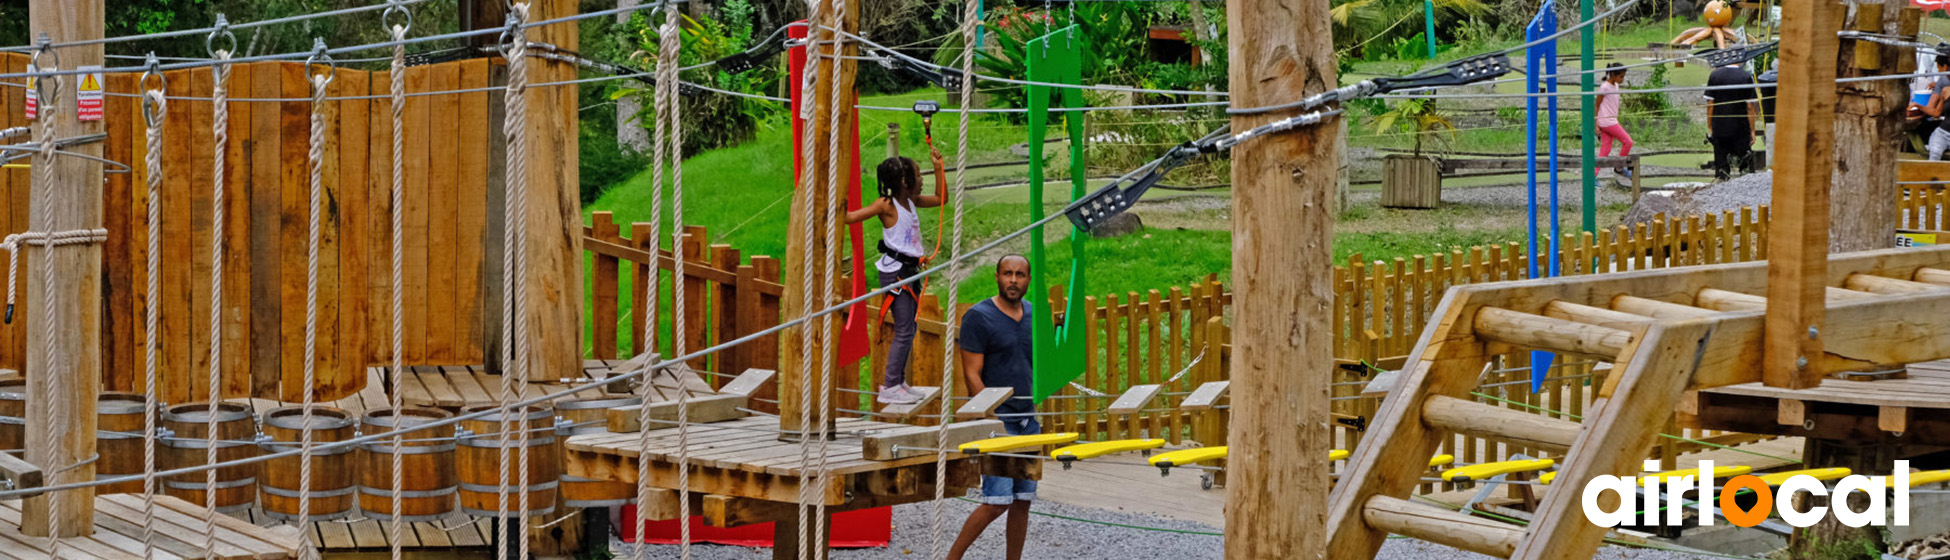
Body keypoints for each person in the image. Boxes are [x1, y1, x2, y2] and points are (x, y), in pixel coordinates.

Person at [944, 255, 1037, 560]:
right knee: (997, 501)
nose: (1013, 280)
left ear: (1028, 280)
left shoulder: (1035, 315)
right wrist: (990, 418)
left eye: (1020, 274)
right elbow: (971, 372)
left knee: (1023, 500)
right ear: (996, 277)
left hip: (1028, 420)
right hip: (999, 419)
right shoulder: (979, 317)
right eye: (1007, 273)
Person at [845, 143, 948, 405]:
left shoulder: (911, 202)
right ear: (905, 181)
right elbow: (852, 217)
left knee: (909, 328)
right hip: (896, 274)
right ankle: (890, 385)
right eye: (919, 174)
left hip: (910, 271)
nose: (922, 179)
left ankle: (897, 381)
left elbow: (941, 199)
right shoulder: (887, 205)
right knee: (904, 329)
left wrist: (938, 169)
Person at [1703, 63, 1761, 182]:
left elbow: (1710, 104)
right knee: (1744, 163)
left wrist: (1710, 125)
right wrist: (1752, 130)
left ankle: (1722, 184)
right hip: (1741, 127)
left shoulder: (1715, 76)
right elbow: (1750, 106)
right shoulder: (1745, 76)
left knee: (1721, 164)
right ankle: (1746, 185)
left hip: (1720, 127)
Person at [1596, 63, 1634, 177]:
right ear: (1613, 74)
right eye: (1621, 76)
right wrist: (1595, 124)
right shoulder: (1604, 87)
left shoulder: (1616, 85)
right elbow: (1596, 105)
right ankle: (1619, 167)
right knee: (1628, 142)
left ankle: (1593, 175)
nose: (1622, 79)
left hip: (1610, 121)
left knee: (1605, 150)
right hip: (1607, 122)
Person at [1915, 55, 1950, 160]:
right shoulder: (1945, 90)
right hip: (1943, 134)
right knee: (1934, 154)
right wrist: (1917, 105)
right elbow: (1936, 113)